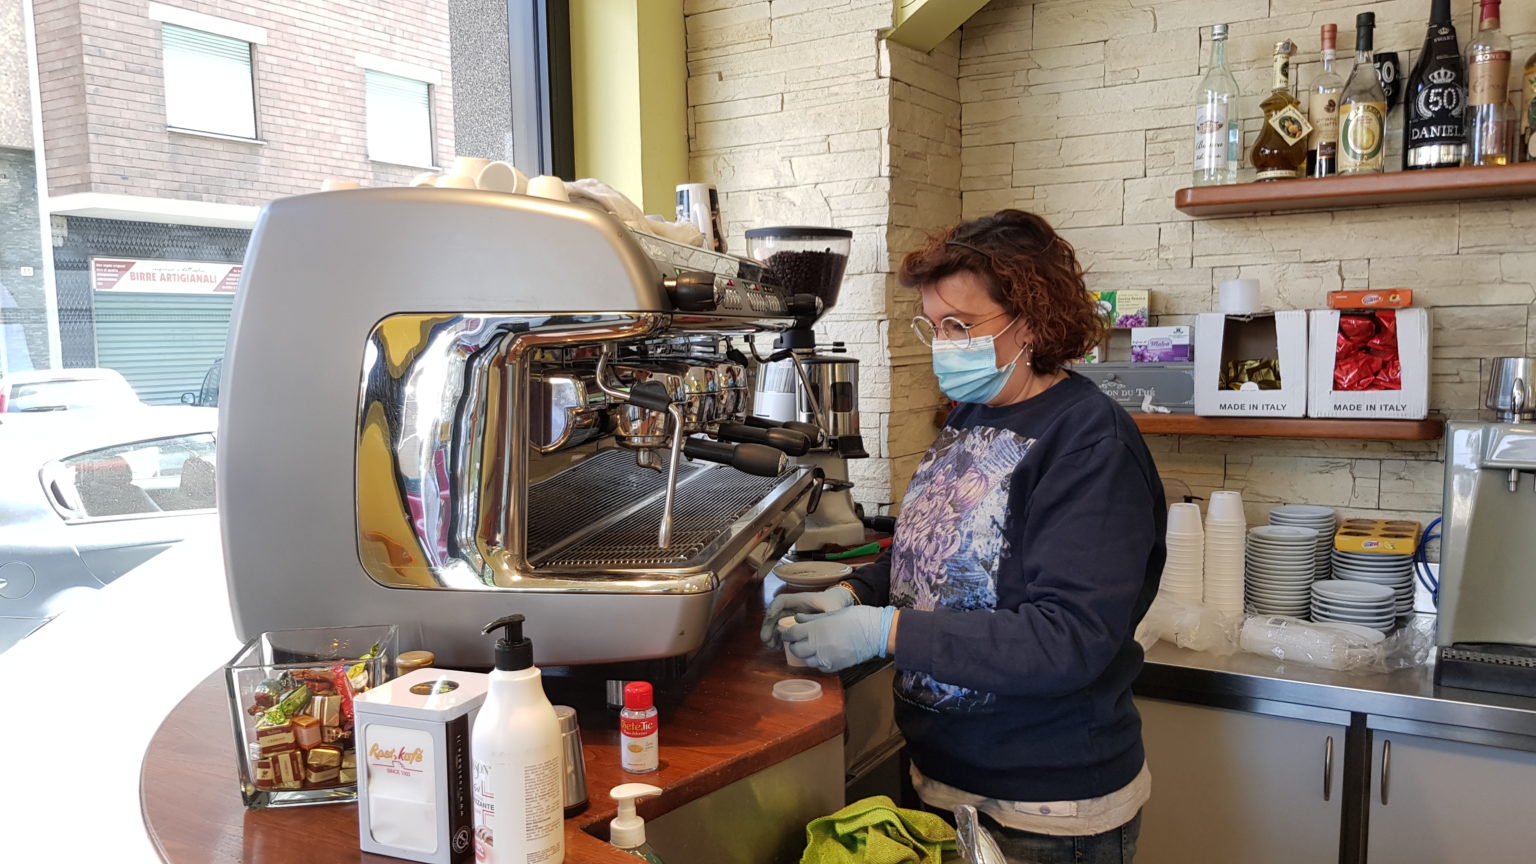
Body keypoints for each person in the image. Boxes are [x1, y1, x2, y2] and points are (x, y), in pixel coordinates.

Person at [764, 209, 1166, 863]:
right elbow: (939, 549)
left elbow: (1068, 639)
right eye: (934, 325)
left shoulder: (1090, 443)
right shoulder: (973, 414)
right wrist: (853, 592)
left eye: (961, 325)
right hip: (946, 779)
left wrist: (884, 631)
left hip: (1044, 810)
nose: (943, 345)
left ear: (1031, 321)